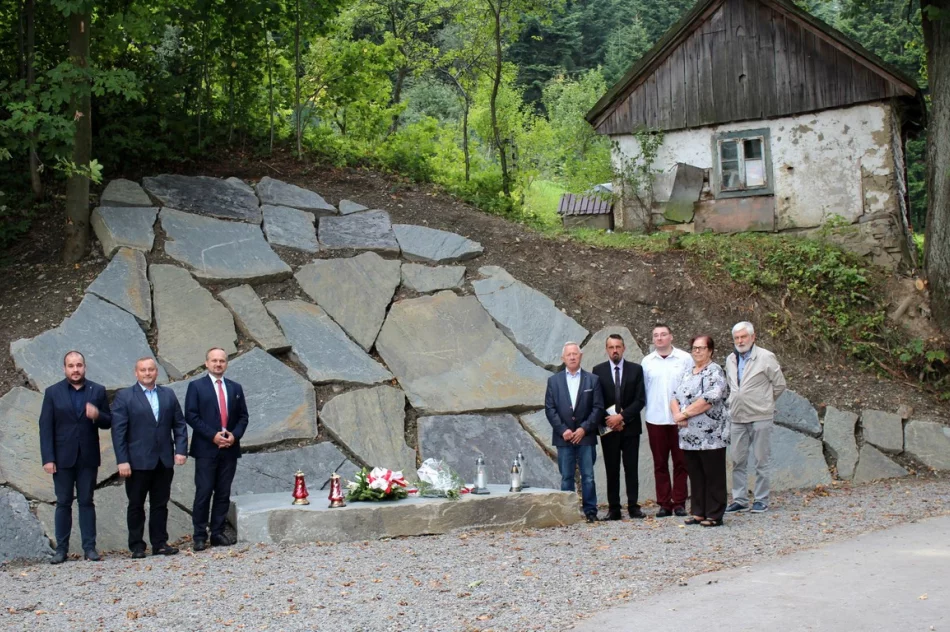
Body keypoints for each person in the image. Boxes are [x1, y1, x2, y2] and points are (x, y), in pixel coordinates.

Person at [38, 350, 112, 564]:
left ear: (85, 367)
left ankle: (90, 548)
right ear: (65, 368)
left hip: (88, 457)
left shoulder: (97, 390)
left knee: (87, 501)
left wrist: (97, 415)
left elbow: (109, 421)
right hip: (62, 458)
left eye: (79, 365)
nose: (76, 369)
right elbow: (45, 427)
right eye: (71, 366)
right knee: (63, 503)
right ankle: (61, 550)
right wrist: (48, 458)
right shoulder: (53, 392)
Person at [111, 358, 188, 558]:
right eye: (143, 370)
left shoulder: (168, 395)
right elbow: (119, 432)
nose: (147, 373)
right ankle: (137, 546)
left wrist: (180, 450)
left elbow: (179, 425)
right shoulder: (125, 396)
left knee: (160, 504)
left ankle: (160, 543)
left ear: (156, 372)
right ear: (136, 373)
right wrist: (122, 460)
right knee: (136, 504)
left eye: (151, 369)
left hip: (163, 460)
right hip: (136, 462)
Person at [185, 348, 249, 550]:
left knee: (223, 492)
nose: (218, 364)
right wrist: (212, 435)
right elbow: (191, 415)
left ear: (226, 364)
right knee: (204, 492)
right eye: (214, 361)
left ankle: (218, 533)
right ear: (207, 363)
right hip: (206, 448)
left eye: (222, 361)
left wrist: (234, 435)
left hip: (229, 448)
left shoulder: (235, 388)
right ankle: (199, 535)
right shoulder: (196, 386)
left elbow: (243, 417)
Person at [725, 321, 787, 514]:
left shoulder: (766, 357)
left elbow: (779, 385)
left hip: (760, 416)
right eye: (737, 338)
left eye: (744, 337)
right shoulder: (730, 359)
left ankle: (761, 499)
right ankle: (740, 499)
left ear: (753, 337)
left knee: (761, 460)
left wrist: (765, 402)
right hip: (737, 416)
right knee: (737, 460)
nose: (740, 341)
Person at [671, 335, 731, 527]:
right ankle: (698, 511)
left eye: (701, 348)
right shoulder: (687, 373)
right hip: (689, 436)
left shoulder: (715, 372)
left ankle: (714, 514)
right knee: (696, 475)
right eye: (694, 348)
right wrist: (676, 414)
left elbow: (709, 399)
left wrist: (684, 414)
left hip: (711, 435)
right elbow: (674, 396)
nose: (697, 352)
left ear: (710, 350)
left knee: (713, 475)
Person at [545, 342, 604, 523]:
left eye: (575, 354)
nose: (572, 357)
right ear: (563, 358)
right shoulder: (553, 381)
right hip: (564, 437)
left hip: (585, 436)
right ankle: (567, 512)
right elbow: (550, 408)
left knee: (588, 476)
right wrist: (563, 430)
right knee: (566, 476)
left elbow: (598, 407)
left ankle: (590, 511)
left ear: (581, 356)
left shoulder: (592, 380)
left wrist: (583, 428)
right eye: (568, 354)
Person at [641, 324, 693, 517]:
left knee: (681, 462)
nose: (660, 338)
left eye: (663, 334)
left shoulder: (685, 359)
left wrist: (686, 413)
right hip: (655, 419)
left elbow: (690, 386)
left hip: (680, 419)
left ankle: (679, 502)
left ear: (671, 337)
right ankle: (664, 503)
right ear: (653, 339)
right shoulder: (647, 362)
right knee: (660, 463)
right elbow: (644, 390)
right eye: (656, 335)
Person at [592, 334, 646, 520]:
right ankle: (614, 508)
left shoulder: (636, 370)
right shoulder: (598, 371)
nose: (614, 350)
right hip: (609, 429)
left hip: (630, 427)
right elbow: (596, 401)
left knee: (631, 468)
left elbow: (640, 400)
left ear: (624, 348)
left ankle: (633, 506)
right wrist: (611, 420)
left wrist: (622, 417)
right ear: (606, 350)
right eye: (611, 347)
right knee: (611, 468)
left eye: (618, 346)